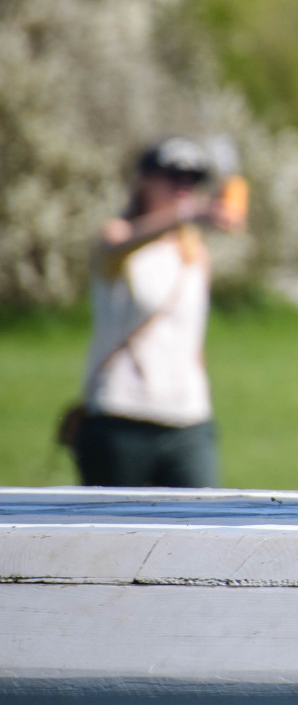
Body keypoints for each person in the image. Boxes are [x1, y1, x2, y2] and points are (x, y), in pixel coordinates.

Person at [74, 137, 246, 488]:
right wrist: (190, 214)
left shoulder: (193, 251)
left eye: (193, 179)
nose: (184, 187)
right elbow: (118, 242)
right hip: (122, 413)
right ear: (145, 180)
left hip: (188, 417)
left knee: (202, 533)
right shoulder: (122, 237)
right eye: (173, 176)